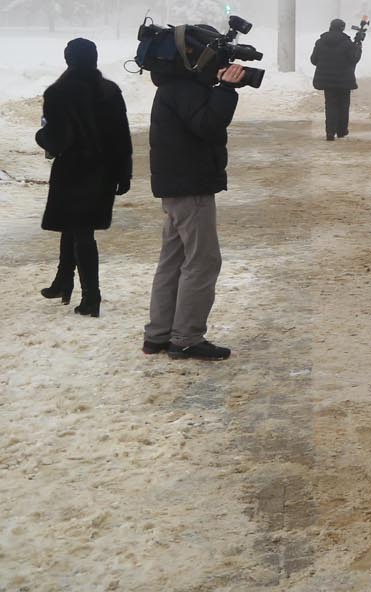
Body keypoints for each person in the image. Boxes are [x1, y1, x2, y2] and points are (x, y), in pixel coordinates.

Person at [142, 25, 251, 360]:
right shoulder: (185, 89)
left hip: (176, 185)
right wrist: (228, 91)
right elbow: (207, 125)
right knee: (203, 261)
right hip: (191, 186)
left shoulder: (175, 86)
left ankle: (159, 334)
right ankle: (187, 337)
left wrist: (218, 86)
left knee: (173, 260)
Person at [34, 38, 132, 318]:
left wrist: (41, 136)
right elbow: (122, 136)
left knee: (81, 233)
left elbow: (57, 140)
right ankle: (63, 281)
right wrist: (124, 173)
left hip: (73, 170)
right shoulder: (109, 91)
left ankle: (92, 296)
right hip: (104, 170)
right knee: (75, 227)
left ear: (68, 60)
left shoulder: (58, 93)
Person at [310, 16, 368, 140]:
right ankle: (342, 131)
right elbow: (354, 59)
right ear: (342, 29)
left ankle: (330, 132)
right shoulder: (347, 43)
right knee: (343, 105)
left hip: (327, 81)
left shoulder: (320, 42)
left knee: (330, 105)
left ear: (330, 27)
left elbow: (313, 60)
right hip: (344, 81)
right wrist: (358, 45)